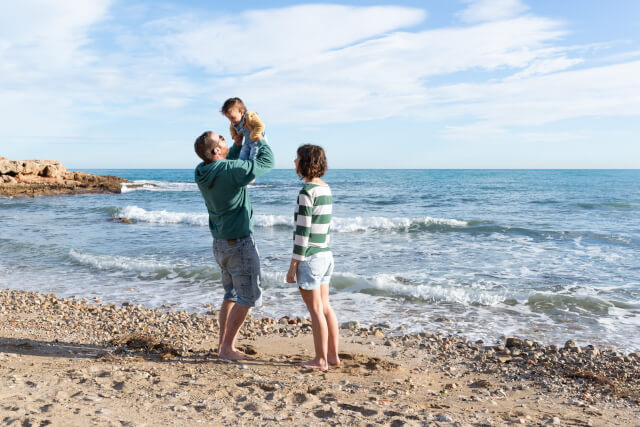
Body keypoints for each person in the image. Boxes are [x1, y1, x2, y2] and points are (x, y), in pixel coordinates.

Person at [194, 130, 274, 360]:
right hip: (239, 245)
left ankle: (223, 345)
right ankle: (228, 348)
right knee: (247, 297)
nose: (224, 138)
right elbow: (267, 162)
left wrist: (238, 146)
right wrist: (259, 138)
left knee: (230, 295)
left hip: (220, 244)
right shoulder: (229, 171)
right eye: (221, 138)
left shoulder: (202, 170)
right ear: (217, 150)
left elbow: (226, 166)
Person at [286, 144, 340, 370]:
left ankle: (320, 360)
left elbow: (303, 232)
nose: (294, 162)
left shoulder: (307, 192)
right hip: (326, 255)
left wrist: (293, 265)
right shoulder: (325, 189)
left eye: (297, 158)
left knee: (316, 310)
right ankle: (333, 356)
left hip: (310, 257)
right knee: (326, 307)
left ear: (306, 162)